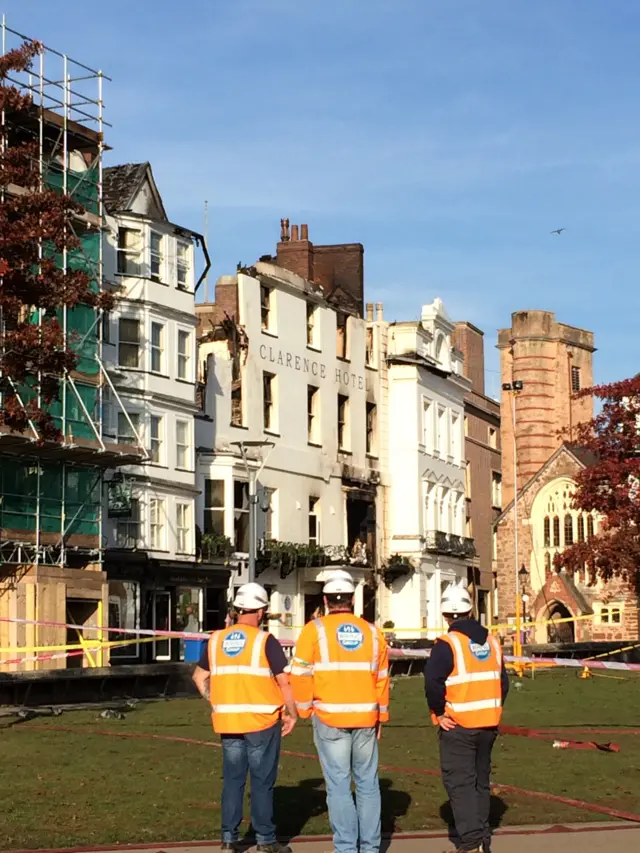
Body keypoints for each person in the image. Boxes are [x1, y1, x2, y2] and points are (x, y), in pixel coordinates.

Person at [192, 582, 297, 853]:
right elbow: (284, 682)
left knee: (233, 781)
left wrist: (215, 700)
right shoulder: (265, 641)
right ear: (261, 612)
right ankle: (265, 841)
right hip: (262, 721)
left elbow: (199, 677)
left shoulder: (216, 639)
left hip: (229, 722)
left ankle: (229, 839)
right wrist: (292, 714)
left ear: (237, 609)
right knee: (262, 782)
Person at [290, 569, 389, 853]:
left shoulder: (314, 630)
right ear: (351, 599)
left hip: (329, 717)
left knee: (338, 785)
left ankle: (346, 848)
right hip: (365, 717)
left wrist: (306, 709)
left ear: (325, 599)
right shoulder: (372, 632)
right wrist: (381, 715)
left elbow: (300, 673)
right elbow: (382, 677)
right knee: (368, 784)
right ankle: (370, 848)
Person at [425, 585, 509, 853]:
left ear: (445, 615)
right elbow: (502, 682)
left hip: (459, 725)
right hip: (488, 724)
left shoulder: (447, 644)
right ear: (471, 610)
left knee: (460, 783)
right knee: (480, 783)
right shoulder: (493, 641)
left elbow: (433, 682)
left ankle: (471, 843)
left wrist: (438, 712)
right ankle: (482, 839)